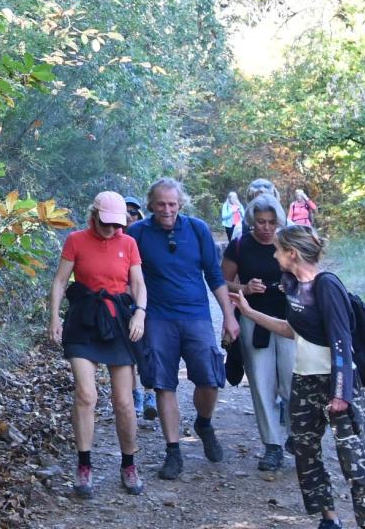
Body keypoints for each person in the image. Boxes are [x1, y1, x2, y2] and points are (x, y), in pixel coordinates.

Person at [233, 225, 365, 529]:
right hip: (304, 381)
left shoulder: (327, 286)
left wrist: (341, 393)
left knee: (354, 462)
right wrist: (248, 312)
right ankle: (329, 518)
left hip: (338, 383)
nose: (274, 255)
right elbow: (292, 330)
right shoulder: (293, 285)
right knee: (305, 452)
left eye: (278, 250)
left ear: (292, 253)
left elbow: (341, 339)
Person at [127, 178, 239, 480]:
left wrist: (229, 315)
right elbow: (128, 277)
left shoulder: (197, 229)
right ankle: (173, 451)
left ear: (181, 204)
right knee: (164, 384)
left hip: (196, 315)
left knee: (210, 379)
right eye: (161, 204)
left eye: (172, 204)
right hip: (157, 317)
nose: (166, 210)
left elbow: (214, 274)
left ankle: (204, 423)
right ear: (150, 204)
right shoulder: (136, 233)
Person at [48, 192, 149, 497]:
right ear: (93, 215)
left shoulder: (128, 243)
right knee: (86, 394)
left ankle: (129, 464)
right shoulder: (76, 240)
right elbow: (60, 281)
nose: (111, 229)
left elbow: (138, 284)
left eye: (116, 224)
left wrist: (140, 314)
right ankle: (84, 465)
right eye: (106, 223)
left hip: (118, 321)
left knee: (123, 401)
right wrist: (54, 317)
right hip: (84, 320)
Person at [222, 194, 296, 471]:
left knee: (292, 381)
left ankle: (296, 436)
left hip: (290, 321)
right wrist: (245, 289)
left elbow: (311, 275)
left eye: (271, 223)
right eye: (260, 223)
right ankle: (272, 445)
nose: (265, 228)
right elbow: (223, 282)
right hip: (254, 321)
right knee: (262, 384)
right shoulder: (240, 245)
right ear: (252, 221)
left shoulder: (290, 242)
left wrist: (292, 286)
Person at [125, 195, 158, 422]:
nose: (129, 217)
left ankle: (149, 395)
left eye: (134, 213)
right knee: (128, 351)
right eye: (126, 212)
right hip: (121, 303)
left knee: (148, 348)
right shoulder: (110, 240)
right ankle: (135, 395)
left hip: (148, 303)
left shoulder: (145, 238)